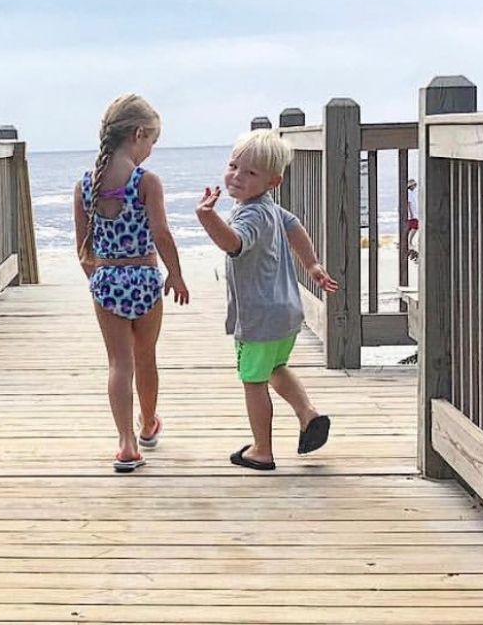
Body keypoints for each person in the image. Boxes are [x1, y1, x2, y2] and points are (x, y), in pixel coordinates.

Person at [194, 129, 338, 470]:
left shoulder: (251, 214)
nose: (237, 176)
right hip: (286, 313)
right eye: (233, 166)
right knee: (274, 368)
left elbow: (234, 243)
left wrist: (208, 217)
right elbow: (295, 227)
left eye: (250, 172)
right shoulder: (269, 207)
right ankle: (307, 414)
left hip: (259, 317)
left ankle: (262, 449)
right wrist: (312, 264)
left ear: (273, 182)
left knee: (254, 381)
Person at [73, 94, 189, 473]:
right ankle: (148, 424)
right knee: (146, 355)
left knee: (119, 363)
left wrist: (99, 281)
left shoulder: (85, 186)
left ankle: (125, 444)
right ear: (138, 134)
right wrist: (176, 274)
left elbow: (83, 248)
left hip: (107, 280)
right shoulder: (146, 181)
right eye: (151, 141)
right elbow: (162, 233)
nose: (151, 150)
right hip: (144, 279)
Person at [406, 178, 420, 260]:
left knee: (411, 227)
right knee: (415, 226)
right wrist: (411, 213)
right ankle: (410, 241)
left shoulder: (411, 193)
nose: (415, 187)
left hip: (413, 213)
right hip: (412, 214)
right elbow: (409, 203)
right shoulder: (409, 193)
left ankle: (408, 242)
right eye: (414, 185)